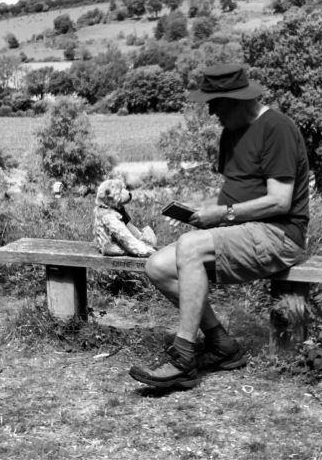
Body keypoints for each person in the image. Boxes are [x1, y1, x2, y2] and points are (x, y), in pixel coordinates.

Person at [129, 63, 309, 390]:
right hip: (243, 232)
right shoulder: (231, 132)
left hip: (280, 235)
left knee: (190, 247)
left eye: (215, 103)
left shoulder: (277, 128)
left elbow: (280, 201)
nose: (211, 112)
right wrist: (203, 216)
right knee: (157, 266)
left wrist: (221, 216)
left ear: (236, 100)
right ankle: (222, 345)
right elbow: (234, 190)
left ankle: (183, 358)